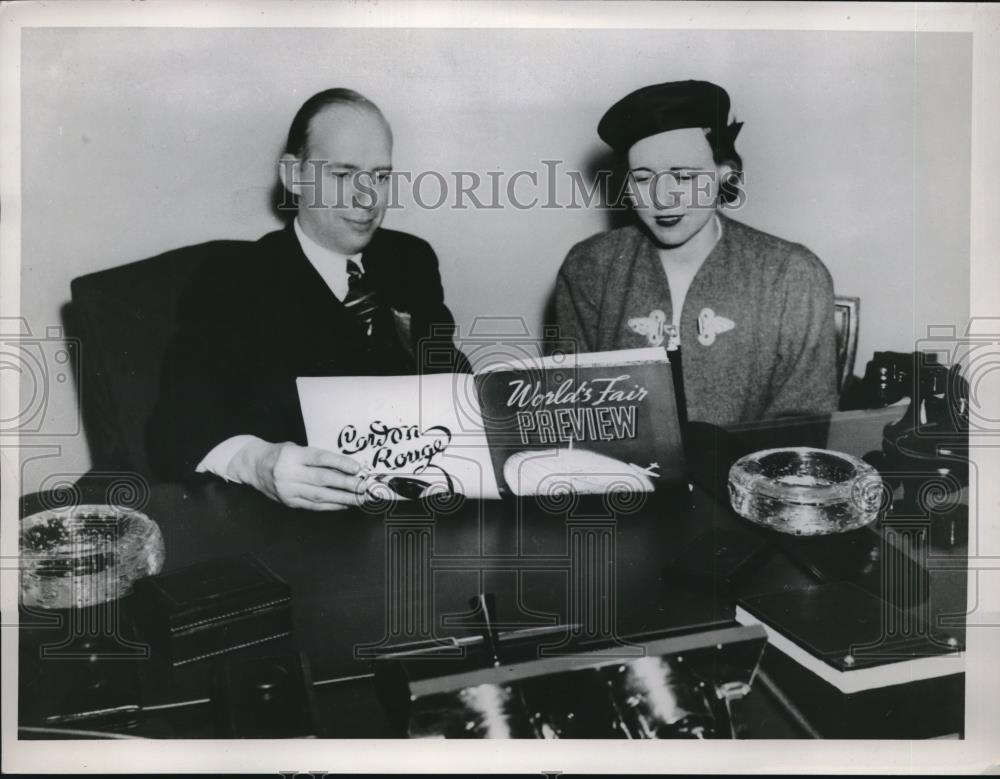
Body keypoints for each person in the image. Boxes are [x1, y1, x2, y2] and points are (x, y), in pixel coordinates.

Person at [147, 88, 468, 510]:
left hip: (412, 509)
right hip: (303, 527)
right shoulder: (234, 279)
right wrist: (257, 462)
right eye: (342, 175)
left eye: (381, 176)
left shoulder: (411, 258)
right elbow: (174, 432)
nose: (368, 198)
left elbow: (444, 368)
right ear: (294, 176)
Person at [554, 80, 838, 427]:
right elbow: (572, 409)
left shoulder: (792, 275)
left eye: (684, 176)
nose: (663, 198)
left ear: (724, 174)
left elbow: (804, 428)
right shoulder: (589, 268)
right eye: (643, 179)